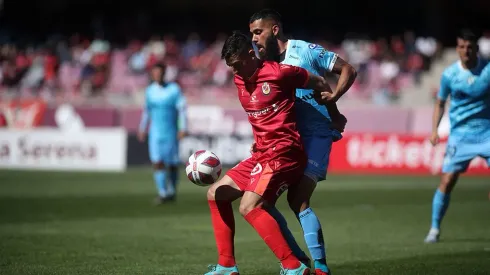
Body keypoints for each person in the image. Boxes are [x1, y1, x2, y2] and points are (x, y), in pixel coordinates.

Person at [204, 31, 334, 275]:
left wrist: (332, 113)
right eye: (230, 66)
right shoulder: (239, 79)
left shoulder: (279, 72)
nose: (233, 71)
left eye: (236, 65)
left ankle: (293, 267)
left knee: (248, 206)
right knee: (215, 193)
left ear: (250, 55)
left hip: (285, 153)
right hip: (262, 154)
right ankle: (226, 266)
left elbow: (318, 82)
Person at [248, 9, 357, 275]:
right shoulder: (265, 66)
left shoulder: (305, 51)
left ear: (275, 30)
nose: (254, 39)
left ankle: (319, 267)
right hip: (288, 141)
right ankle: (297, 262)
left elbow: (348, 70)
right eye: (251, 34)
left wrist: (334, 100)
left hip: (317, 135)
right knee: (261, 203)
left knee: (298, 199)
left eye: (258, 32)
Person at [424, 29, 490, 243]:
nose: (466, 51)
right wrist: (434, 130)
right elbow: (440, 103)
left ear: (477, 49)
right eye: (461, 47)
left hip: (487, 132)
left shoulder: (488, 71)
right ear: (457, 48)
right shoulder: (450, 75)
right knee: (448, 180)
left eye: (470, 47)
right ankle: (434, 229)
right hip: (460, 135)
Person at [138, 63, 187, 204]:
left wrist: (183, 128)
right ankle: (162, 193)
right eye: (155, 73)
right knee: (157, 163)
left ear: (164, 73)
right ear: (152, 75)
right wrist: (142, 128)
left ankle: (172, 191)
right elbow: (146, 111)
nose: (157, 75)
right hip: (155, 133)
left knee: (172, 163)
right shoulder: (149, 91)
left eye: (159, 73)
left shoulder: (174, 89)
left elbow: (182, 110)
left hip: (171, 132)